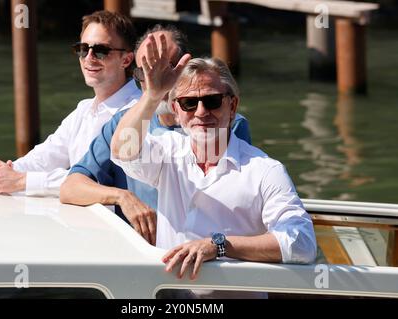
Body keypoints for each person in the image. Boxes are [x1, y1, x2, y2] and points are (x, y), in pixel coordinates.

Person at [110, 37, 316, 281]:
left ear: (232, 106)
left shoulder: (265, 170)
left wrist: (219, 246)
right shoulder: (166, 151)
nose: (200, 112)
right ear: (176, 111)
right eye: (188, 103)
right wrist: (153, 95)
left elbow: (302, 244)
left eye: (212, 101)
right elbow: (123, 149)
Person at [60, 25, 252, 246]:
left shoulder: (224, 123)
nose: (154, 82)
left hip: (204, 249)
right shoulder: (121, 124)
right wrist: (122, 197)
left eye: (163, 70)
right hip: (142, 254)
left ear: (185, 69)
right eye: (145, 73)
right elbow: (71, 187)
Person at [0, 10, 140, 196]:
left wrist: (22, 181)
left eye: (101, 51)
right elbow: (46, 156)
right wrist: (3, 172)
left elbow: (97, 180)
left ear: (126, 60)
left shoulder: (137, 112)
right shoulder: (84, 109)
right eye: (83, 49)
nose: (89, 57)